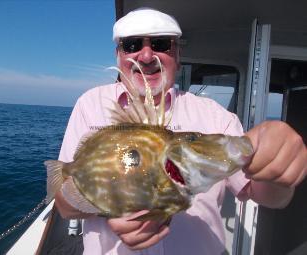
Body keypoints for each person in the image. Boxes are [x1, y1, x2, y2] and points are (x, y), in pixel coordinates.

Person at [54, 7, 307, 255]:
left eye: (161, 44)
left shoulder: (215, 116)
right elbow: (63, 202)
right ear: (118, 54)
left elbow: (267, 196)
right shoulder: (91, 104)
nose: (145, 56)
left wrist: (278, 170)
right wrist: (115, 203)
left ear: (177, 55)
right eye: (132, 45)